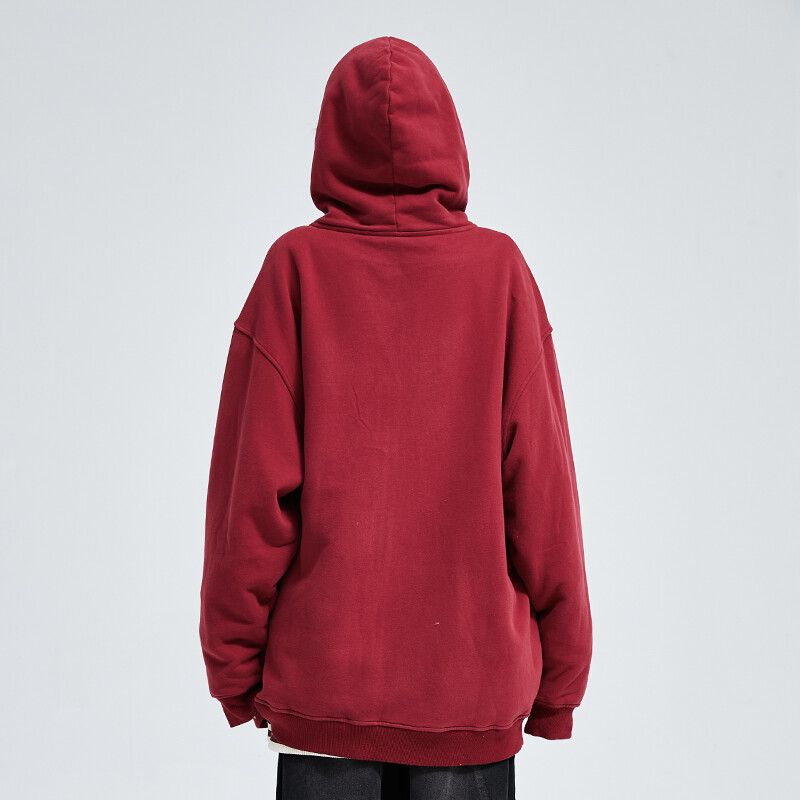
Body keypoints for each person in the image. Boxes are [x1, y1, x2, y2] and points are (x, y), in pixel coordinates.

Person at [199, 35, 593, 800]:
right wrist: (561, 680)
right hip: (467, 704)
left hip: (324, 700)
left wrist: (234, 667)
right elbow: (544, 499)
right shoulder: (501, 276)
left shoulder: (293, 272)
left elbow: (248, 502)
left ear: (329, 140)